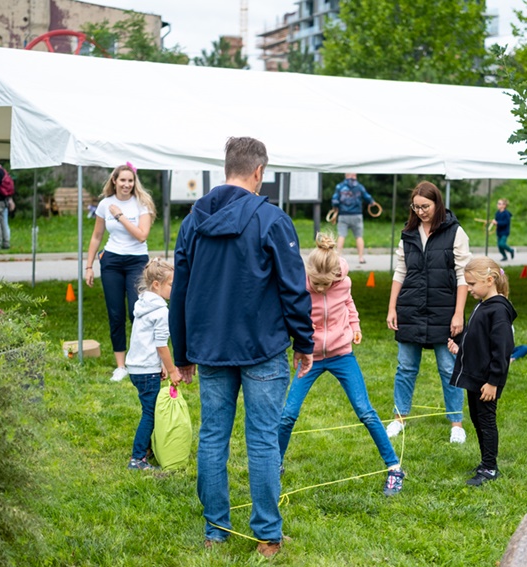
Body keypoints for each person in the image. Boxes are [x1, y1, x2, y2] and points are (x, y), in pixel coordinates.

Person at [169, 137, 314, 558]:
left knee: (214, 436)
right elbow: (294, 288)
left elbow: (178, 292)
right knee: (262, 439)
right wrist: (304, 342)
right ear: (258, 172)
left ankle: (218, 530)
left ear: (226, 168)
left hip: (215, 347)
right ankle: (265, 535)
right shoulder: (271, 219)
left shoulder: (193, 221)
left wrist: (182, 354)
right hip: (260, 348)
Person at [278, 232, 405, 496]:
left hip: (341, 354)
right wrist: (301, 346)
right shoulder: (299, 284)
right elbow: (291, 315)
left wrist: (355, 326)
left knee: (365, 411)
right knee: (288, 414)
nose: (322, 289)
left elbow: (348, 303)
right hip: (310, 357)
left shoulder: (343, 280)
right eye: (317, 285)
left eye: (327, 285)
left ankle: (394, 467)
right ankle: (273, 465)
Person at [386, 181, 472, 443]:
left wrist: (458, 314)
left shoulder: (455, 232)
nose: (421, 211)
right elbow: (400, 271)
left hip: (444, 310)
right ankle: (399, 417)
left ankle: (456, 423)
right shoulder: (408, 233)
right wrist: (392, 307)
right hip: (410, 308)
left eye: (426, 206)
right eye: (416, 207)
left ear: (438, 204)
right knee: (405, 368)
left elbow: (463, 276)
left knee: (448, 368)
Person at [448, 256, 516, 487]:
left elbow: (502, 349)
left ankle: (490, 468)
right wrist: (460, 347)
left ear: (489, 280)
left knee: (486, 421)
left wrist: (494, 381)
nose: (468, 289)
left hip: (487, 381)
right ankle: (485, 462)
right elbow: (478, 341)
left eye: (472, 284)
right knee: (477, 419)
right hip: (476, 377)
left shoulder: (498, 311)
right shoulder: (484, 305)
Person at [85, 164, 156, 382]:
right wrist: (89, 266)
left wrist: (121, 216)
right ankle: (120, 365)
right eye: (122, 180)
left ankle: (142, 359)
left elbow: (142, 236)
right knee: (115, 314)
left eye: (130, 181)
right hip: (112, 262)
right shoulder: (105, 204)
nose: (127, 184)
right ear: (114, 181)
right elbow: (97, 236)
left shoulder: (142, 204)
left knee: (137, 312)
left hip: (136, 262)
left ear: (135, 183)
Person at [124, 258, 185, 472]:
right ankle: (138, 458)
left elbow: (147, 341)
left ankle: (147, 449)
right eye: (171, 284)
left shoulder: (142, 304)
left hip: (136, 367)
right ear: (157, 285)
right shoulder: (161, 311)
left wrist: (158, 364)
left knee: (148, 409)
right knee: (150, 412)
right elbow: (161, 345)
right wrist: (172, 370)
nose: (174, 288)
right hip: (146, 371)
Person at [331, 173, 376, 263]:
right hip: (357, 215)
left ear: (346, 175)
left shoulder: (339, 186)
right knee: (359, 236)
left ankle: (337, 257)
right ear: (354, 175)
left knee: (341, 235)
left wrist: (335, 208)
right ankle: (361, 258)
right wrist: (372, 202)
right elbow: (367, 197)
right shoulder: (359, 186)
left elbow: (335, 200)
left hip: (343, 215)